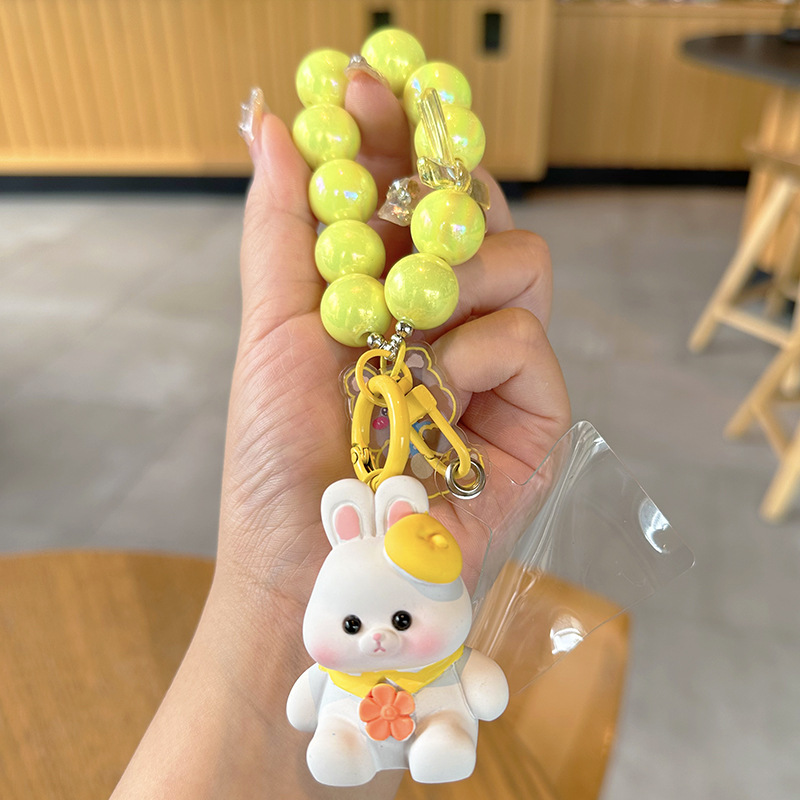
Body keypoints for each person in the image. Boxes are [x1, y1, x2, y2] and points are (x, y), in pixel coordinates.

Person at [111, 66, 570, 799]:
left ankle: (433, 743)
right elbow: (303, 703)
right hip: (346, 722)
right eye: (359, 626)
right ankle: (356, 750)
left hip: (421, 699)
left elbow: (470, 686)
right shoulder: (349, 611)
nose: (379, 638)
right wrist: (268, 618)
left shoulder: (406, 611)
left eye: (385, 621)